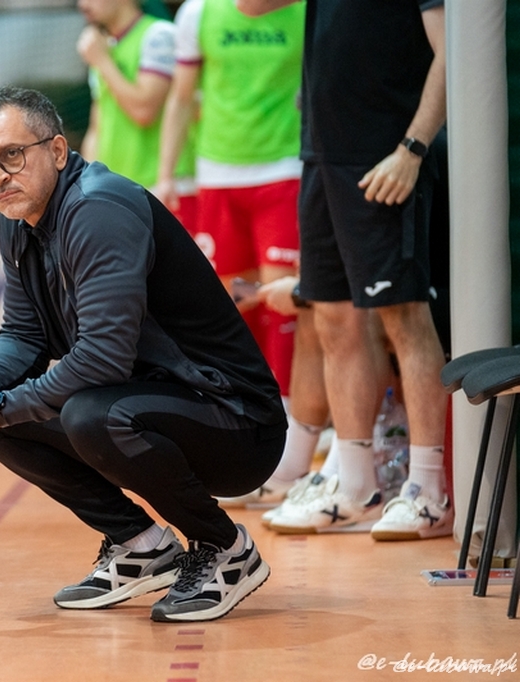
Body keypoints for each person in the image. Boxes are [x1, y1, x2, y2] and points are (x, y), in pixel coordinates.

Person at [0, 86, 287, 622]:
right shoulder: (19, 220)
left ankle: (226, 549)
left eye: (11, 155)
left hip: (236, 421)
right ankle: (140, 546)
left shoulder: (98, 209)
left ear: (57, 151)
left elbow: (102, 359)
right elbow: (23, 334)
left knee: (88, 414)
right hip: (155, 403)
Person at [239, 0, 451, 541]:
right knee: (332, 317)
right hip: (321, 155)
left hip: (386, 155)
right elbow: (250, 6)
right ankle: (355, 484)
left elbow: (451, 54)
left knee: (404, 317)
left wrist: (412, 149)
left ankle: (429, 491)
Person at [154, 0, 304, 404]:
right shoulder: (199, 12)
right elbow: (181, 98)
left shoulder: (306, 9)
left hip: (284, 169)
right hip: (218, 176)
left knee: (280, 298)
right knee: (235, 300)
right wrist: (166, 175)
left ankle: (287, 412)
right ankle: (245, 402)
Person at [76, 0, 198, 222]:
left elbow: (144, 111)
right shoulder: (102, 47)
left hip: (165, 189)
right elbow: (96, 128)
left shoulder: (159, 35)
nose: (82, 4)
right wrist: (86, 188)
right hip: (117, 191)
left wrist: (103, 62)